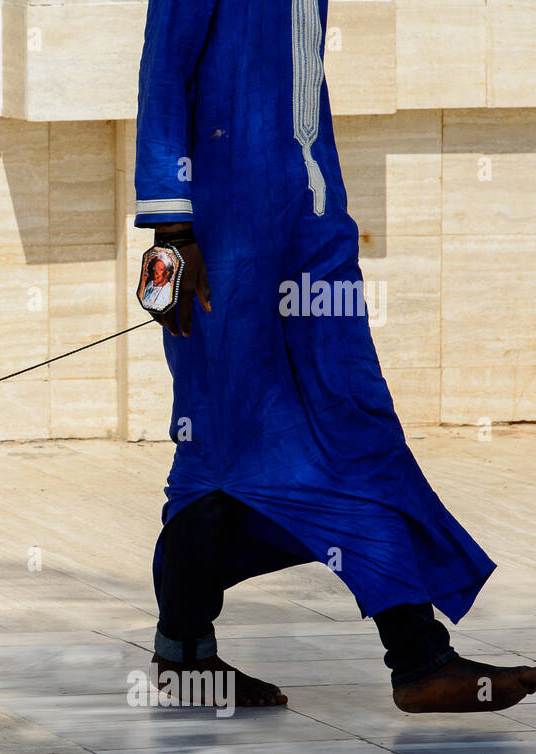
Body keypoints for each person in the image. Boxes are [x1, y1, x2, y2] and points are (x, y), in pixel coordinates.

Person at [133, 0, 536, 711]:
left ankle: (197, 652)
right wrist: (173, 227)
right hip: (229, 240)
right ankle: (410, 655)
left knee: (349, 424)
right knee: (224, 452)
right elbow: (165, 71)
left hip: (313, 224)